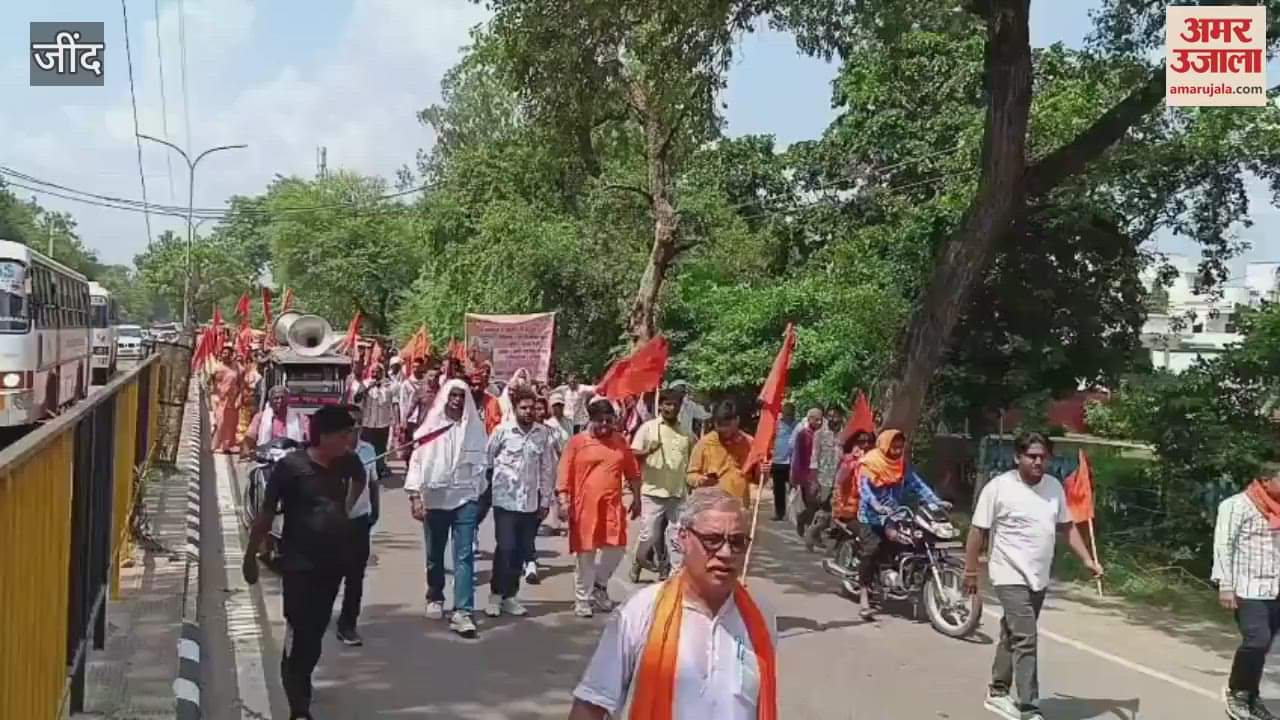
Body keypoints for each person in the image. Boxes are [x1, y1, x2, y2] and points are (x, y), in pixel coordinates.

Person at [569, 487, 778, 720]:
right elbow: (592, 704)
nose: (726, 553)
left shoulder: (760, 618)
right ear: (683, 538)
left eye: (737, 542)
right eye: (712, 540)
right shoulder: (641, 612)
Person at [963, 432, 1103, 720]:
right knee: (1026, 637)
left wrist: (1088, 560)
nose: (1039, 462)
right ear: (1018, 457)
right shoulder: (999, 488)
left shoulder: (1053, 488)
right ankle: (1029, 706)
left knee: (1012, 633)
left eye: (1043, 457)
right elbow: (978, 531)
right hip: (1007, 573)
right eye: (1032, 456)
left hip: (1038, 576)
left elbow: (1066, 527)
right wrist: (971, 570)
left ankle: (997, 691)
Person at [241, 405, 366, 720]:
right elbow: (265, 515)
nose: (350, 439)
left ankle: (301, 675)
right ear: (325, 436)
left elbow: (361, 479)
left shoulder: (347, 461)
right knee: (299, 625)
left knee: (314, 632)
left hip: (332, 564)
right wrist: (251, 557)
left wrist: (347, 506)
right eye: (344, 434)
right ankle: (299, 707)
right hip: (298, 563)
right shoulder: (290, 468)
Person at [405, 378, 489, 638]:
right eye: (452, 395)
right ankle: (435, 595)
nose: (457, 400)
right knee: (435, 554)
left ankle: (463, 611)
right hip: (435, 498)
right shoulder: (430, 428)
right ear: (445, 398)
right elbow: (417, 463)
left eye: (461, 396)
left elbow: (482, 465)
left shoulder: (475, 429)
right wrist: (415, 498)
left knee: (464, 555)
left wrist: (477, 493)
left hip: (465, 499)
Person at [557, 397, 642, 618]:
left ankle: (600, 586)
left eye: (609, 420)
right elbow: (563, 474)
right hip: (584, 507)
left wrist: (637, 497)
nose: (605, 425)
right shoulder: (577, 442)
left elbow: (632, 472)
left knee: (617, 548)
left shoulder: (620, 442)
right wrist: (563, 501)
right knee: (586, 553)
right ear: (591, 419)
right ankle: (582, 598)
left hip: (612, 506)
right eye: (600, 420)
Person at [854, 428, 948, 620]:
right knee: (871, 551)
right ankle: (864, 595)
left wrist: (936, 502)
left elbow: (918, 485)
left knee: (907, 543)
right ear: (884, 445)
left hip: (895, 515)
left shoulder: (901, 466)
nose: (897, 451)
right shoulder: (870, 463)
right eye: (893, 447)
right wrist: (876, 506)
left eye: (900, 447)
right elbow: (864, 490)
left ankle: (898, 579)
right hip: (871, 516)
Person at [1212, 463, 1280, 720]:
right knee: (1257, 640)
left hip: (1275, 589)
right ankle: (1237, 692)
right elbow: (1223, 545)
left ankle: (1252, 697)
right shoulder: (1235, 505)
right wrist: (1225, 585)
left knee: (1266, 647)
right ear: (1265, 480)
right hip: (1247, 588)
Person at [485, 385, 556, 618]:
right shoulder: (502, 432)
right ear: (514, 408)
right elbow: (487, 460)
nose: (527, 412)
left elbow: (547, 469)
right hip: (505, 501)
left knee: (520, 551)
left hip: (530, 503)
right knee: (505, 548)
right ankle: (495, 595)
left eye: (531, 408)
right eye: (522, 408)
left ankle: (510, 596)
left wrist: (545, 501)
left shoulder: (543, 434)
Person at [629, 388, 694, 583]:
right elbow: (632, 454)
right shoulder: (649, 428)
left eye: (674, 405)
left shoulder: (685, 433)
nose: (671, 408)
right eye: (667, 404)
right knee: (648, 534)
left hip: (677, 493)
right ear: (661, 405)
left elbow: (690, 461)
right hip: (653, 491)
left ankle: (674, 578)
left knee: (676, 537)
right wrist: (648, 451)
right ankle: (638, 561)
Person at [336, 404, 379, 647]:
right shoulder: (331, 452)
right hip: (333, 522)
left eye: (357, 424)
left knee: (355, 577)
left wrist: (375, 510)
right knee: (329, 574)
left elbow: (372, 483)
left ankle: (348, 624)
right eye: (349, 424)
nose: (354, 429)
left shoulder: (368, 450)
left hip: (359, 520)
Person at [687, 400, 755, 506]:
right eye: (720, 425)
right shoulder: (705, 443)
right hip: (710, 508)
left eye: (727, 425)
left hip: (738, 507)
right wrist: (701, 480)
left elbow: (757, 479)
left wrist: (764, 470)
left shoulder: (749, 443)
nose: (723, 429)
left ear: (737, 420)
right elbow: (690, 476)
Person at [802, 406, 846, 551]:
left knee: (833, 511)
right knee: (827, 509)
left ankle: (814, 534)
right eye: (830, 416)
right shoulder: (820, 434)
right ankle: (812, 532)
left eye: (836, 416)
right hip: (824, 478)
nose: (833, 419)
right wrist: (814, 479)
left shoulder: (845, 434)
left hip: (841, 477)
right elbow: (814, 457)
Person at [242, 386, 309, 457]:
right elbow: (250, 435)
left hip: (293, 457)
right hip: (267, 457)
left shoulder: (300, 418)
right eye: (276, 398)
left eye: (283, 398)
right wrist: (246, 448)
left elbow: (309, 440)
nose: (280, 401)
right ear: (270, 400)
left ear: (288, 399)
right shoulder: (260, 417)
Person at [790, 407, 824, 537]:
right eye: (816, 420)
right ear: (809, 419)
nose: (819, 422)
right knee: (812, 503)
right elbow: (797, 456)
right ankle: (804, 522)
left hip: (817, 474)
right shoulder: (803, 434)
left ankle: (805, 523)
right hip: (805, 474)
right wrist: (795, 477)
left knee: (815, 504)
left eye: (820, 420)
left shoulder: (820, 434)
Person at [210, 346, 245, 453]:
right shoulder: (217, 368)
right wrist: (215, 394)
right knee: (220, 422)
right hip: (220, 399)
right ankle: (216, 445)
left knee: (231, 423)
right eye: (223, 353)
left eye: (227, 353)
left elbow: (241, 384)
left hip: (233, 399)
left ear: (231, 355)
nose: (225, 355)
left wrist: (240, 398)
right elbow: (211, 382)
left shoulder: (237, 368)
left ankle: (228, 446)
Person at [769, 402, 797, 521]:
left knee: (795, 489)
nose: (788, 416)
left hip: (793, 461)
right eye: (786, 413)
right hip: (778, 461)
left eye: (790, 414)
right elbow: (770, 438)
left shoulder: (798, 425)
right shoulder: (776, 424)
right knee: (778, 489)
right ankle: (779, 513)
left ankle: (796, 515)